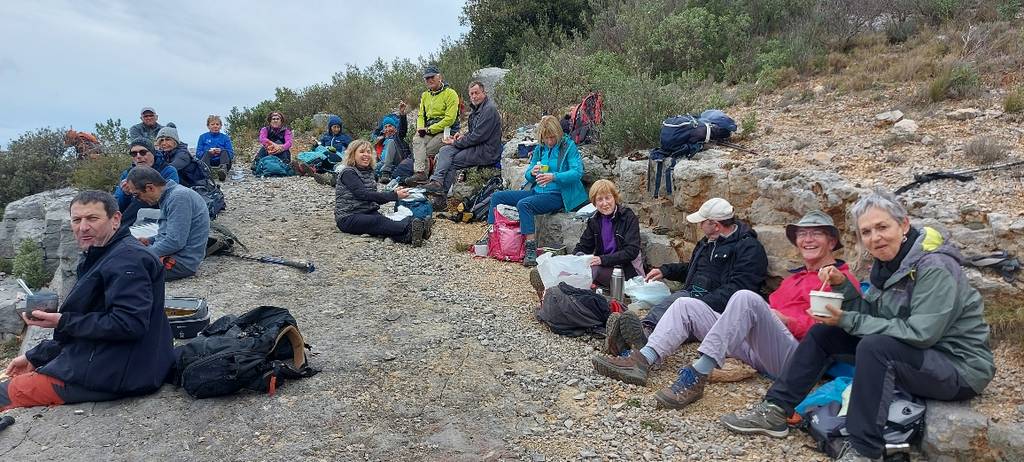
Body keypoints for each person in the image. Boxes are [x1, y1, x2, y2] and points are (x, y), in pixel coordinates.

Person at [720, 192, 995, 462]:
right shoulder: (888, 265)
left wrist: (848, 319)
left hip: (958, 368)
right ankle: (776, 410)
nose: (875, 237)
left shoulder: (935, 267)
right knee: (825, 333)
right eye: (866, 232)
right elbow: (872, 314)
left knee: (876, 347)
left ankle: (864, 449)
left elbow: (921, 334)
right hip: (919, 358)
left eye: (882, 227)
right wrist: (845, 288)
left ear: (904, 225)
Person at [593, 210, 859, 411]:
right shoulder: (794, 278)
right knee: (685, 303)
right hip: (760, 346)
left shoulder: (841, 281)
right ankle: (643, 359)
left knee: (746, 297)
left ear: (832, 241)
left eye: (816, 234)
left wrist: (784, 319)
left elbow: (829, 331)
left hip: (796, 359)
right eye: (803, 234)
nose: (807, 239)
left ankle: (698, 374)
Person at [1, 191, 173, 411]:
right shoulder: (106, 253)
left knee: (4, 393)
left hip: (118, 374)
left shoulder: (128, 261)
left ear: (116, 219)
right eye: (76, 220)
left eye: (92, 218)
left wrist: (62, 321)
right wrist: (36, 356)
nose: (83, 227)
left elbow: (129, 324)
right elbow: (96, 322)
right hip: (115, 361)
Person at [609, 197, 768, 352]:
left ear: (716, 225)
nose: (699, 225)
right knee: (673, 302)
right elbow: (693, 268)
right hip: (692, 296)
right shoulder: (707, 243)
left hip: (718, 309)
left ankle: (642, 336)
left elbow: (738, 290)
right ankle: (638, 334)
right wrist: (666, 270)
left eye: (702, 222)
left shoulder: (749, 249)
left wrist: (699, 303)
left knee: (679, 306)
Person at [483, 115, 586, 267]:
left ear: (557, 133)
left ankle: (530, 249)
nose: (550, 142)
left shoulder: (568, 147)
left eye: (552, 138)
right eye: (546, 138)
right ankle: (492, 236)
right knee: (498, 197)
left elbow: (577, 172)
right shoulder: (540, 148)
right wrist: (532, 173)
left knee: (525, 204)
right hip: (538, 191)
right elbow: (528, 173)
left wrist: (554, 176)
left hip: (559, 195)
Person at [334, 140, 429, 247]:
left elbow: (374, 197)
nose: (366, 155)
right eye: (362, 152)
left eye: (368, 152)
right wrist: (394, 196)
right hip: (348, 217)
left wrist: (393, 192)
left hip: (367, 212)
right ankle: (412, 228)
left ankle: (412, 235)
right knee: (378, 221)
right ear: (352, 154)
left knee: (386, 224)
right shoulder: (348, 173)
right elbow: (363, 195)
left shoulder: (369, 173)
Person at [126, 167, 210, 281]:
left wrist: (142, 254)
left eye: (137, 195)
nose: (137, 200)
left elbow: (175, 242)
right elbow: (175, 234)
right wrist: (150, 240)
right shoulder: (170, 196)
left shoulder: (178, 197)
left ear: (150, 187)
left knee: (122, 270)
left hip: (181, 263)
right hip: (175, 255)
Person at [422, 81, 502, 196]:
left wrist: (456, 142)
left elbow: (477, 137)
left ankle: (441, 196)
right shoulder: (477, 109)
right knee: (445, 150)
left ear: (484, 93)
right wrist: (462, 136)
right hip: (477, 145)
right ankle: (437, 181)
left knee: (453, 160)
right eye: (471, 94)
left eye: (476, 93)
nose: (474, 96)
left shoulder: (489, 110)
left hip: (487, 150)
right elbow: (474, 132)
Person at [571, 179, 643, 286]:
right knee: (572, 271)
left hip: (626, 270)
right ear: (594, 203)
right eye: (599, 199)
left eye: (608, 198)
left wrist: (602, 260)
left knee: (593, 271)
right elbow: (584, 246)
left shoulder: (627, 217)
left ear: (614, 198)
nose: (605, 203)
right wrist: (573, 259)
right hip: (605, 267)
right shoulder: (595, 220)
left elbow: (631, 251)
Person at [405, 66, 460, 186]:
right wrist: (420, 128)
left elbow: (449, 119)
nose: (429, 80)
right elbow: (421, 115)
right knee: (417, 139)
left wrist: (429, 129)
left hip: (446, 130)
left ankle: (430, 178)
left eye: (432, 77)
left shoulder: (450, 94)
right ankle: (420, 173)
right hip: (429, 129)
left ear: (439, 77)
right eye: (426, 78)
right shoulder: (425, 95)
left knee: (426, 149)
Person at [113, 138, 179, 228]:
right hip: (133, 218)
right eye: (134, 153)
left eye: (143, 152)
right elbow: (116, 205)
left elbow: (170, 198)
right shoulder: (127, 174)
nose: (138, 156)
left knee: (142, 196)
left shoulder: (167, 170)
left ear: (153, 153)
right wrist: (125, 194)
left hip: (159, 215)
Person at [376, 103, 413, 184]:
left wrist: (402, 114)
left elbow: (403, 129)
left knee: (391, 142)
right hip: (382, 164)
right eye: (385, 127)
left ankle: (386, 172)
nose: (388, 129)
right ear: (383, 130)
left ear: (395, 129)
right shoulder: (381, 143)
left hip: (397, 162)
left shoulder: (397, 138)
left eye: (390, 126)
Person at [196, 115, 235, 180]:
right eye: (212, 124)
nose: (215, 126)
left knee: (225, 151)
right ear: (208, 126)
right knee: (206, 153)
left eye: (217, 124)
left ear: (220, 126)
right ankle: (206, 173)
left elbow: (231, 153)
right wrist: (209, 152)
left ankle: (223, 172)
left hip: (222, 161)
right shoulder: (203, 137)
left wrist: (220, 151)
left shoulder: (225, 137)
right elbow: (198, 153)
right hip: (208, 161)